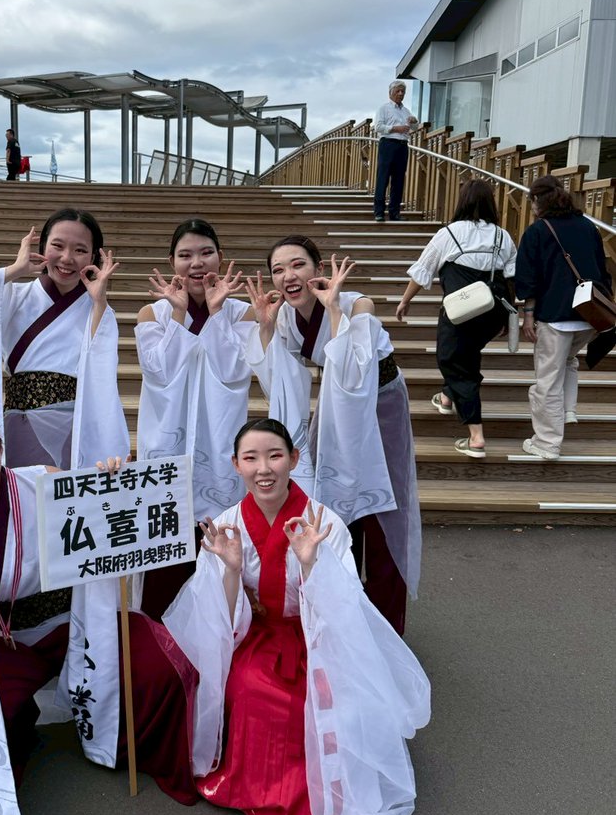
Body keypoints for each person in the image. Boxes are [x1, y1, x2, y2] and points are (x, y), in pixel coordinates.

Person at [0, 406, 198, 815]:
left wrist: (109, 484)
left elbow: (104, 519)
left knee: (156, 666)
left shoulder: (41, 480)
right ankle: (22, 730)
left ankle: (138, 747)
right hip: (6, 640)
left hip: (74, 619)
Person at [163, 418, 430, 815]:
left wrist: (310, 565)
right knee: (248, 688)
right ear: (236, 465)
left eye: (274, 456)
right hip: (257, 634)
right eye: (251, 458)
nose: (263, 469)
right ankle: (252, 786)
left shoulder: (324, 523)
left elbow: (344, 609)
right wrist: (231, 570)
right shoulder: (228, 524)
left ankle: (314, 794)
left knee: (314, 698)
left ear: (294, 459)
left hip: (316, 635)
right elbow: (217, 615)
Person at [245, 237, 420, 635]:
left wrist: (334, 309)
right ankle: (345, 616)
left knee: (382, 508)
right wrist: (266, 327)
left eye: (298, 265)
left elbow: (355, 370)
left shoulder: (358, 305)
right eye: (278, 270)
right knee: (336, 505)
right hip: (334, 407)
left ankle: (385, 625)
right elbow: (280, 379)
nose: (288, 276)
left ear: (319, 269)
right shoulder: (285, 316)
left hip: (379, 406)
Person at [0, 207, 129, 471]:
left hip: (77, 425)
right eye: (57, 246)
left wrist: (99, 302)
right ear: (41, 246)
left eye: (80, 250)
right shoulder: (13, 295)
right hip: (20, 420)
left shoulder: (97, 308)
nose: (67, 258)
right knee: (25, 491)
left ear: (94, 256)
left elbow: (101, 367)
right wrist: (14, 270)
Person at [134, 218, 256, 619]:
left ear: (221, 257)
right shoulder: (153, 313)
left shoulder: (241, 312)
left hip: (219, 441)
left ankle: (219, 630)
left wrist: (217, 314)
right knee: (165, 551)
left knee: (216, 548)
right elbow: (160, 374)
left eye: (206, 253)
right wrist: (179, 315)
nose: (196, 263)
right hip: (168, 441)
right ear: (172, 262)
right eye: (185, 255)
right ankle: (158, 636)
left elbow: (234, 372)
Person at [395, 179, 517, 457]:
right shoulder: (503, 236)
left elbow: (423, 270)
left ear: (462, 201)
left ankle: (476, 436)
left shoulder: (448, 233)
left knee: (453, 361)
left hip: (461, 311)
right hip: (493, 311)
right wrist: (510, 314)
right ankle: (447, 397)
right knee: (466, 356)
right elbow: (512, 277)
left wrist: (405, 300)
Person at [515, 175, 613, 460]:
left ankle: (547, 443)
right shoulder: (588, 227)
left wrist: (528, 314)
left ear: (538, 200)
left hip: (555, 315)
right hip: (590, 315)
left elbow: (528, 278)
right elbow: (603, 269)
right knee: (569, 361)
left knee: (547, 379)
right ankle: (568, 410)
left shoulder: (537, 231)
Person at [372, 81, 418, 221]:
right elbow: (378, 127)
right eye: (398, 91)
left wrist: (414, 122)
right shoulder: (384, 109)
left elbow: (414, 128)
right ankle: (379, 212)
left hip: (402, 146)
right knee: (383, 178)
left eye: (403, 91)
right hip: (388, 144)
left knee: (399, 180)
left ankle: (394, 213)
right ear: (390, 93)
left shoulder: (406, 111)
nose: (400, 94)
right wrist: (395, 128)